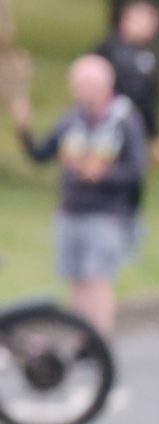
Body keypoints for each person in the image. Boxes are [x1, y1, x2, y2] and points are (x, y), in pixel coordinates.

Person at [11, 55, 146, 336]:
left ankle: (99, 339)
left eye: (87, 83)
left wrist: (102, 175)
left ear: (105, 84)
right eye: (77, 84)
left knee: (97, 280)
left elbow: (135, 170)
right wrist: (23, 127)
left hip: (106, 213)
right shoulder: (72, 120)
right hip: (71, 211)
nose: (81, 90)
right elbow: (41, 154)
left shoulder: (124, 119)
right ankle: (81, 342)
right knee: (76, 281)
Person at [93, 0, 159, 166]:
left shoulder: (146, 57)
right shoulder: (108, 49)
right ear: (127, 20)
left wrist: (155, 134)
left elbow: (148, 100)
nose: (149, 27)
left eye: (152, 23)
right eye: (144, 21)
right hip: (107, 125)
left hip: (133, 127)